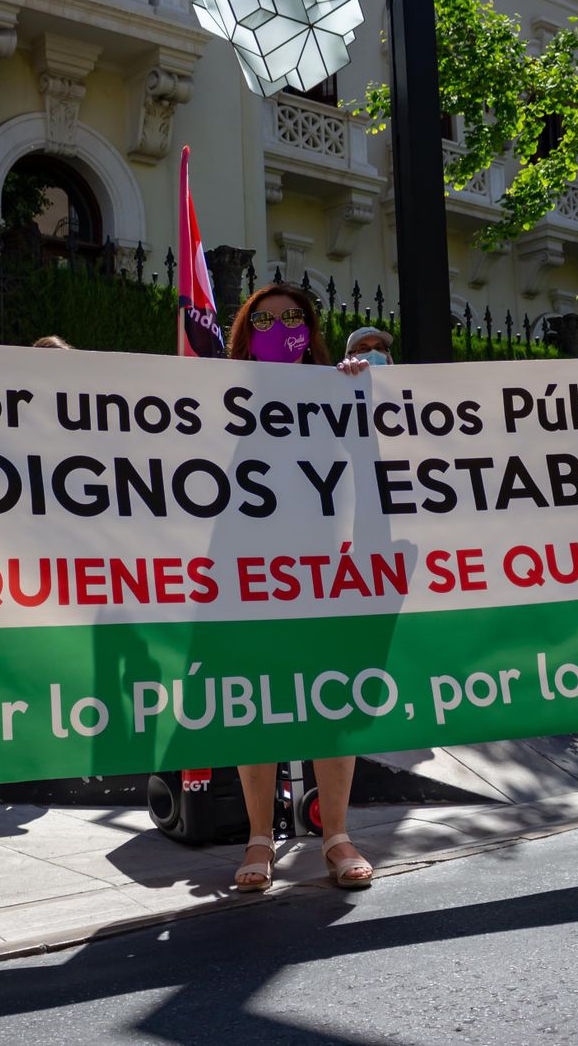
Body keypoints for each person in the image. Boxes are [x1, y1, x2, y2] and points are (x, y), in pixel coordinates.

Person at [224, 284, 374, 892]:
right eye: (263, 319)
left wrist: (360, 383)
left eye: (292, 317)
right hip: (242, 569)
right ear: (245, 330)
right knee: (253, 701)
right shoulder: (210, 392)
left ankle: (335, 836)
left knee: (329, 698)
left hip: (321, 567)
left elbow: (376, 450)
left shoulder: (333, 386)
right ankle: (260, 836)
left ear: (310, 327)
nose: (278, 326)